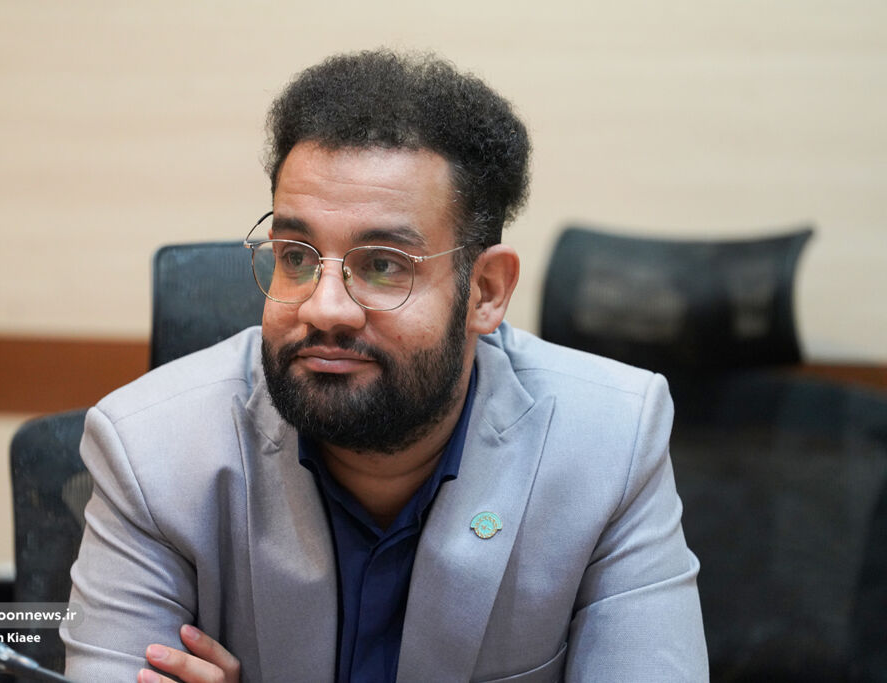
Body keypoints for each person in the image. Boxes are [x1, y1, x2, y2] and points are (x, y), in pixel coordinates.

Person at [61, 49, 708, 682]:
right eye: (296, 256)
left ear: (485, 292)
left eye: (382, 265)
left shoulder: (608, 445)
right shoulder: (152, 453)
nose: (325, 308)